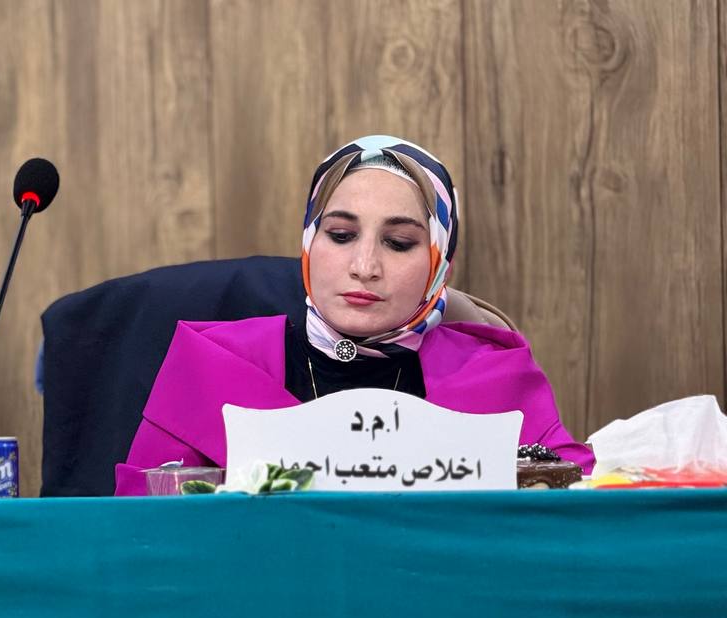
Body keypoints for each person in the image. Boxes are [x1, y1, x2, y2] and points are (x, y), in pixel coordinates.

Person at [115, 135, 594, 495]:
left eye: (399, 243)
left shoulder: (494, 379)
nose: (364, 266)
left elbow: (577, 509)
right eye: (341, 235)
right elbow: (142, 534)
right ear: (309, 243)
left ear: (438, 265)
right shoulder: (213, 367)